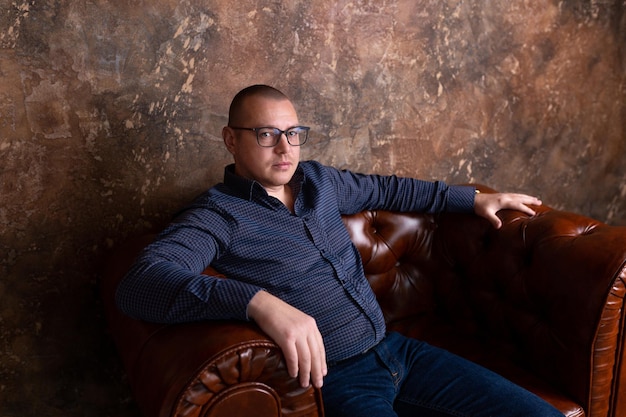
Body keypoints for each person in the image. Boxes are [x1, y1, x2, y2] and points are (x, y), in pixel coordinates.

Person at [116, 84, 564, 417]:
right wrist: (258, 302)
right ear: (231, 139)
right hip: (338, 383)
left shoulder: (318, 181)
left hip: (399, 351)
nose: (284, 148)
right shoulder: (218, 215)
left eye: (293, 133)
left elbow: (390, 189)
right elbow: (141, 284)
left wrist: (472, 199)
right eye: (267, 133)